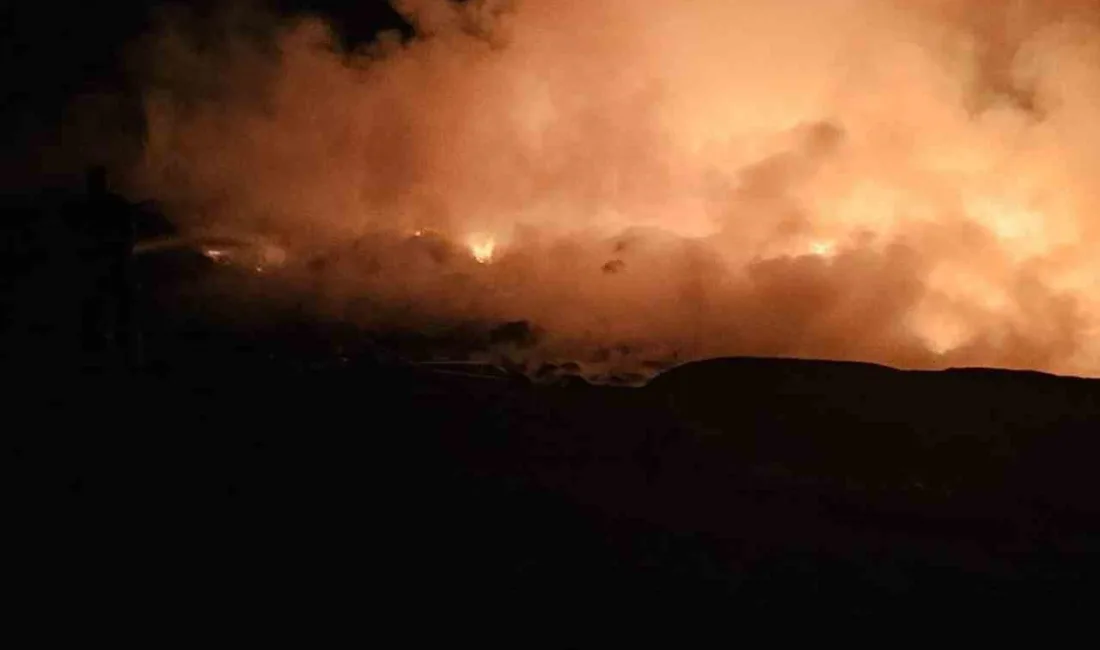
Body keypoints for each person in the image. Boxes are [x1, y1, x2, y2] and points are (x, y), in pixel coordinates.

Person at [79, 165, 141, 369]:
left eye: (96, 181)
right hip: (108, 268)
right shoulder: (110, 205)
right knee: (104, 311)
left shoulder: (106, 206)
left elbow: (128, 234)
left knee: (116, 312)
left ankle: (119, 356)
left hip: (112, 267)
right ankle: (111, 355)